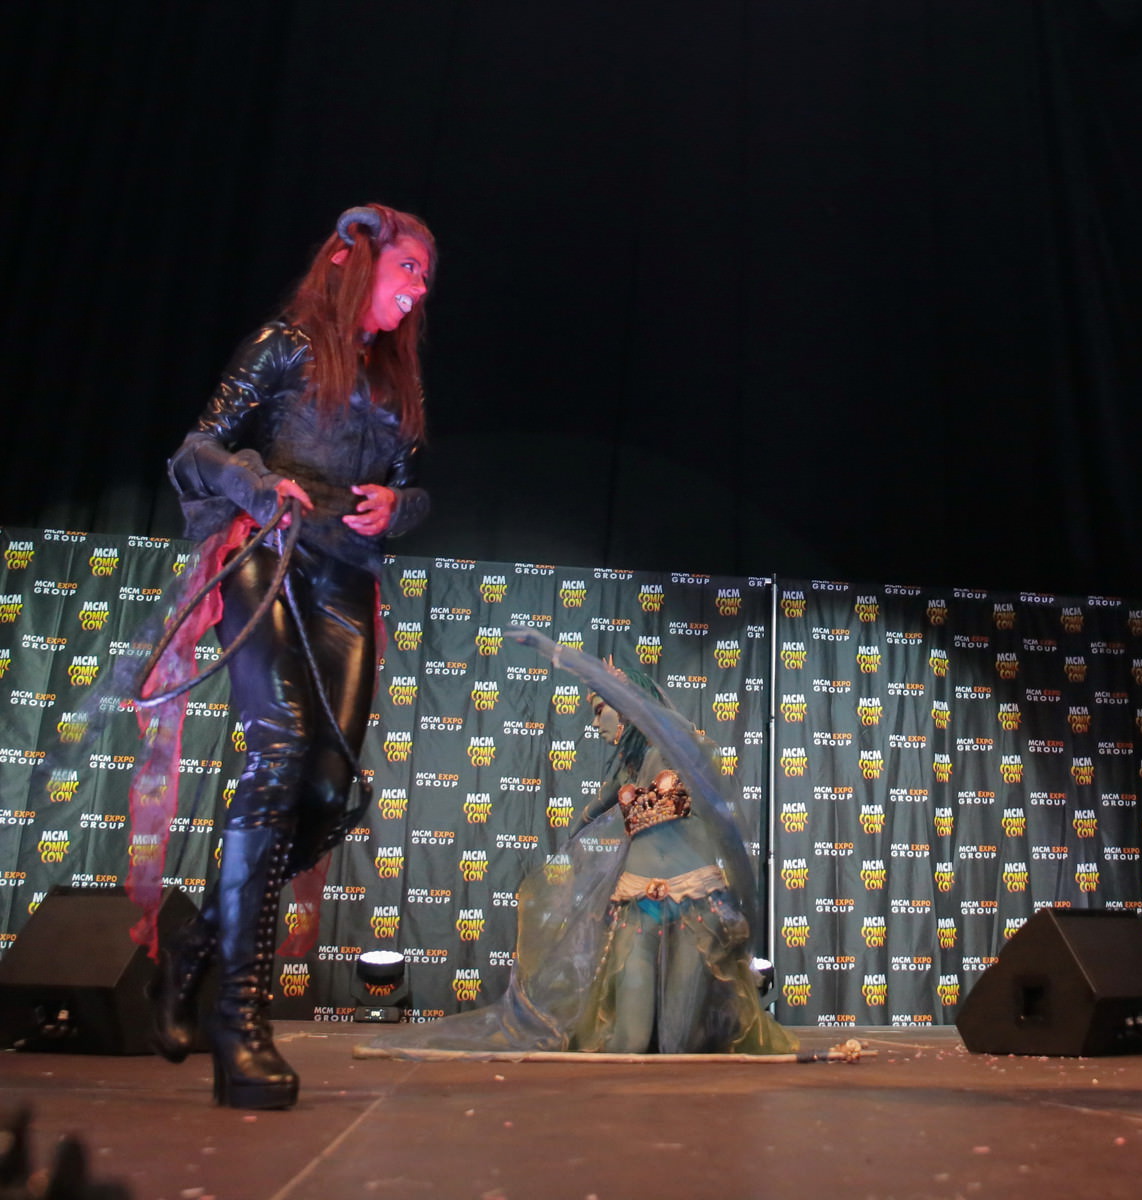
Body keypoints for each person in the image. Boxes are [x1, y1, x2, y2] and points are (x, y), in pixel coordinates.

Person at [146, 204, 435, 1109]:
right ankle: (241, 1022)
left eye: (425, 277)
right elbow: (194, 449)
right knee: (277, 751)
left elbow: (410, 488)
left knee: (324, 789)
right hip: (265, 549)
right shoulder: (284, 345)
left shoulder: (395, 383)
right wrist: (257, 479)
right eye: (410, 268)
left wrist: (400, 508)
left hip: (346, 576)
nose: (419, 288)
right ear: (360, 261)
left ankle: (192, 952)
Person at [365, 635, 795, 1058]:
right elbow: (587, 817)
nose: (594, 723)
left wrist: (555, 651)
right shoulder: (625, 773)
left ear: (627, 706)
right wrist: (576, 837)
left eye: (600, 710)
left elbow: (655, 722)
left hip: (696, 902)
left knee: (684, 1039)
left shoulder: (676, 745)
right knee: (629, 1039)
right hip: (636, 904)